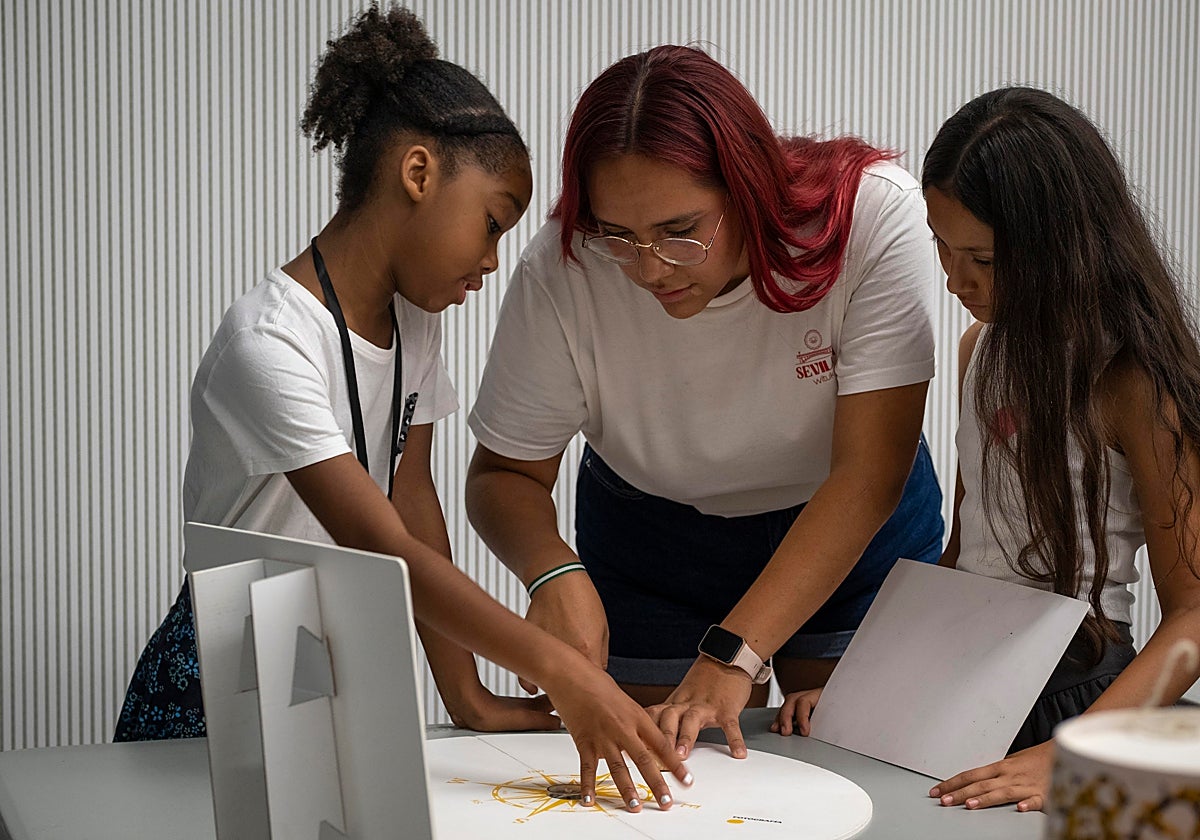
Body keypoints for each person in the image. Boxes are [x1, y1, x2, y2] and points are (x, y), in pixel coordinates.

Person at [114, 6, 689, 811]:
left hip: (322, 664)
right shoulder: (268, 342)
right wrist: (561, 669)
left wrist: (468, 697)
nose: (493, 261)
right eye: (491, 224)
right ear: (417, 173)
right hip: (226, 679)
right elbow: (376, 542)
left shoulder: (412, 322)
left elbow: (414, 509)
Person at [464, 44, 944, 760]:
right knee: (677, 783)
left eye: (680, 232)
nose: (649, 269)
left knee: (859, 766)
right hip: (652, 542)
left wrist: (732, 655)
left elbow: (869, 477)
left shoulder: (870, 215)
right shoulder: (563, 264)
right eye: (620, 236)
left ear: (747, 186)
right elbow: (502, 477)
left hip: (849, 522)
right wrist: (553, 570)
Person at [773, 86, 1200, 812]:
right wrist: (865, 691)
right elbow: (964, 560)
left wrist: (1076, 755)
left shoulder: (1133, 380)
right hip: (974, 683)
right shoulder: (980, 349)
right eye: (941, 243)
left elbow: (1194, 612)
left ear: (1063, 245)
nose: (953, 278)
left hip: (1081, 690)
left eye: (985, 258)